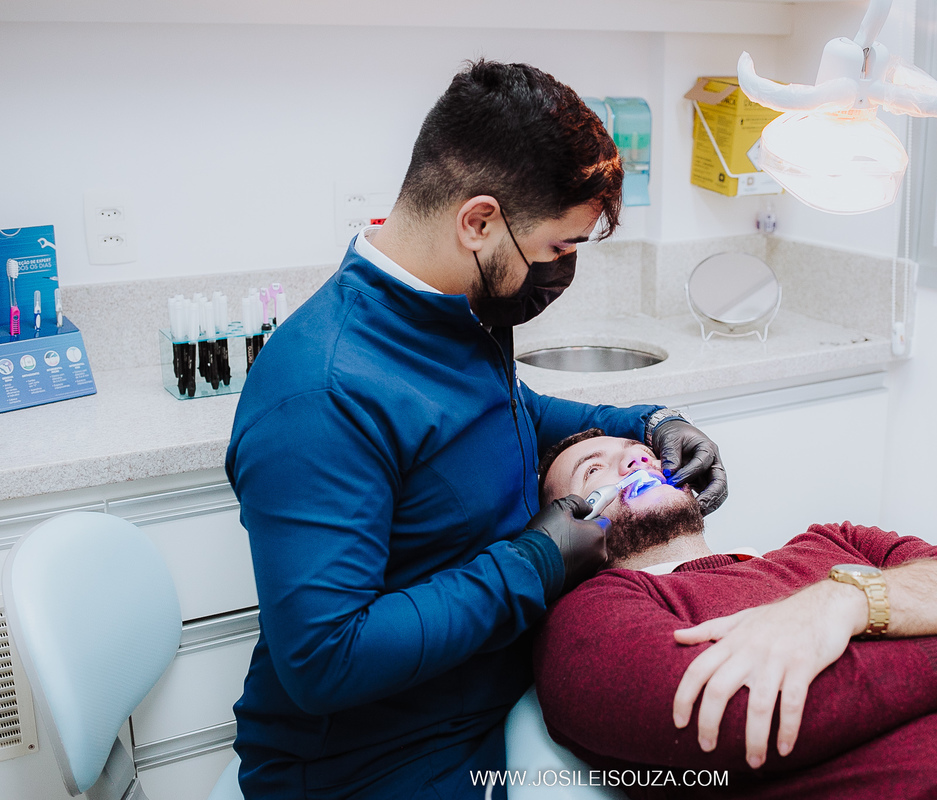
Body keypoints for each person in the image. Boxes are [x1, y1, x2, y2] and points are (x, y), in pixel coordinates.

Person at [224, 61, 728, 800]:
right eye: (559, 248)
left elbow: (510, 414)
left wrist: (652, 422)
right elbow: (325, 659)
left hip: (487, 707)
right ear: (480, 222)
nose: (563, 272)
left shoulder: (453, 309)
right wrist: (536, 562)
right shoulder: (323, 394)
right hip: (369, 767)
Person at [532, 430, 937, 799]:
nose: (634, 463)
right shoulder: (592, 618)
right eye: (595, 471)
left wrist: (845, 602)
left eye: (639, 452)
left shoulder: (833, 544)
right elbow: (743, 716)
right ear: (567, 527)